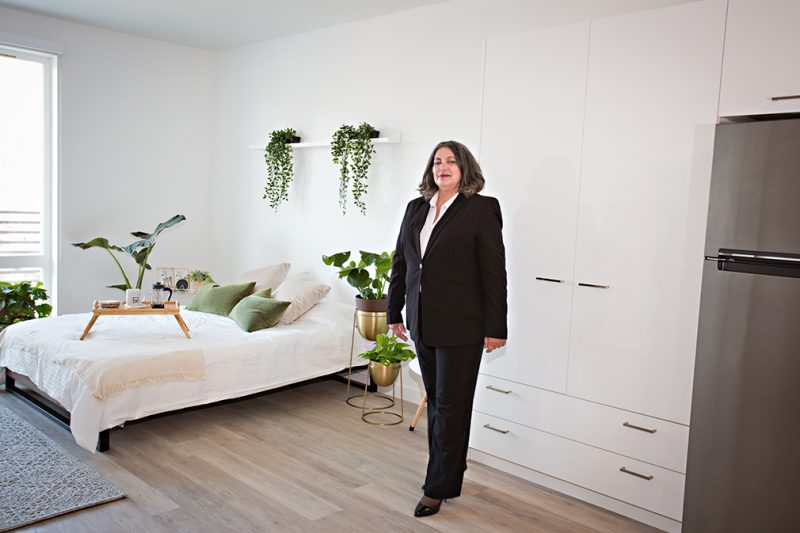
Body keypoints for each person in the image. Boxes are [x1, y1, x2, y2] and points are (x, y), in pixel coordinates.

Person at [387, 140, 508, 518]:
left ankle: (436, 487)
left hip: (463, 326)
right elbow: (401, 263)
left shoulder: (481, 209)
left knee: (452, 406)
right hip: (423, 323)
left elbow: (493, 271)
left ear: (464, 168)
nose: (443, 167)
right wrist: (394, 312)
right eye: (438, 161)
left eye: (451, 161)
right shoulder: (416, 208)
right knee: (439, 404)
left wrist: (496, 326)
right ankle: (449, 473)